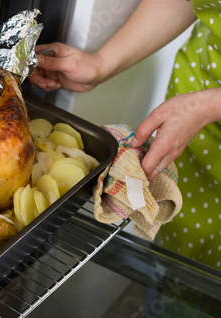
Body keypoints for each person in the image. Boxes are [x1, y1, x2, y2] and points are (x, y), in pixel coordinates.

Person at [29, 0, 221, 270]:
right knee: (182, 258)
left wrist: (208, 106)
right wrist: (101, 64)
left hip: (200, 107)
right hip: (199, 85)